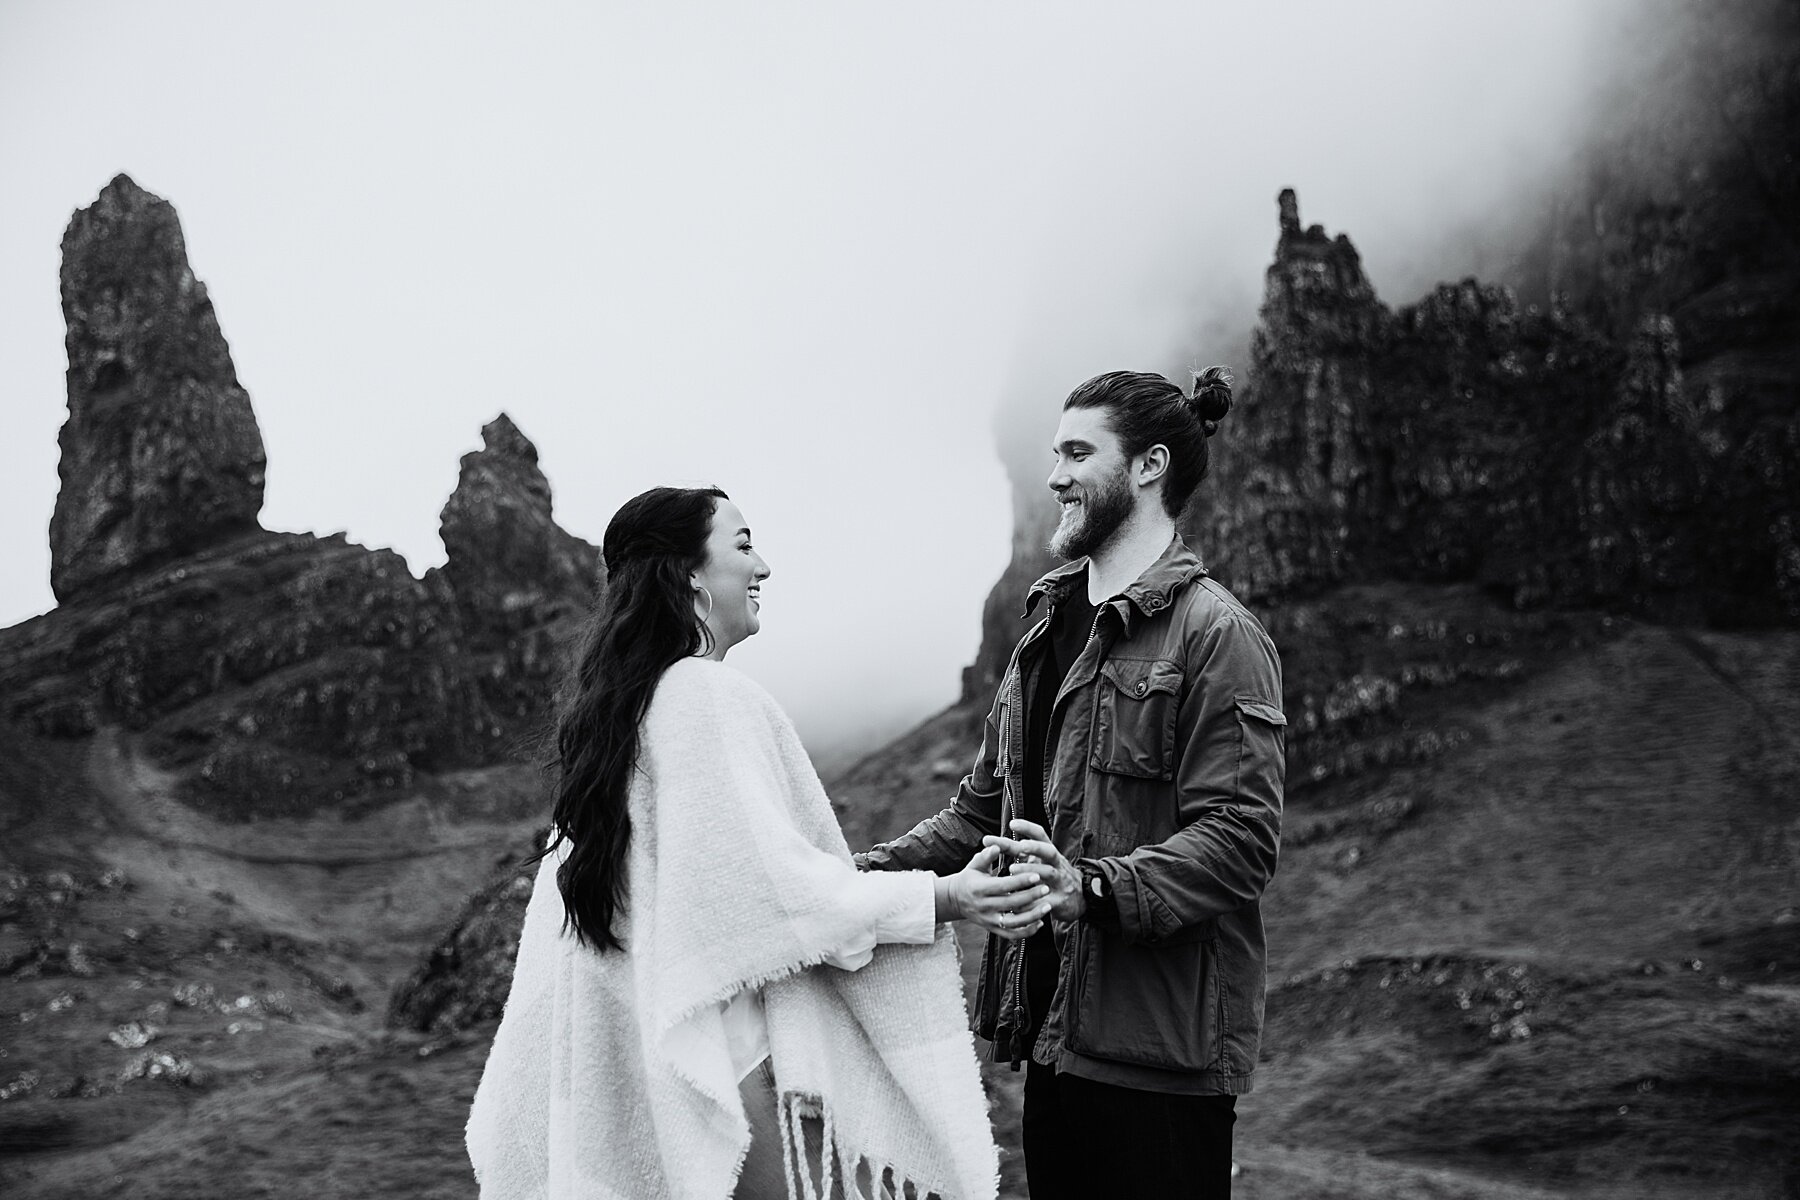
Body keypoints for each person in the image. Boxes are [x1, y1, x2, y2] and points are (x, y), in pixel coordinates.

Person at [466, 486, 1033, 1200]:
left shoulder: (622, 718)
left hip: (659, 1072)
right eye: (741, 545)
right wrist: (949, 895)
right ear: (689, 576)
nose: (762, 565)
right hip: (731, 1068)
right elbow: (774, 897)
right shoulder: (704, 697)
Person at [859, 369, 1286, 1198]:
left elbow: (1240, 840)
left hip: (1161, 1068)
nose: (1054, 475)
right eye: (1054, 453)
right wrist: (844, 886)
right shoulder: (1044, 631)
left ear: (1150, 466)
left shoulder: (1218, 636)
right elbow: (980, 813)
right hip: (1053, 1046)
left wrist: (1087, 888)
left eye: (1079, 453)